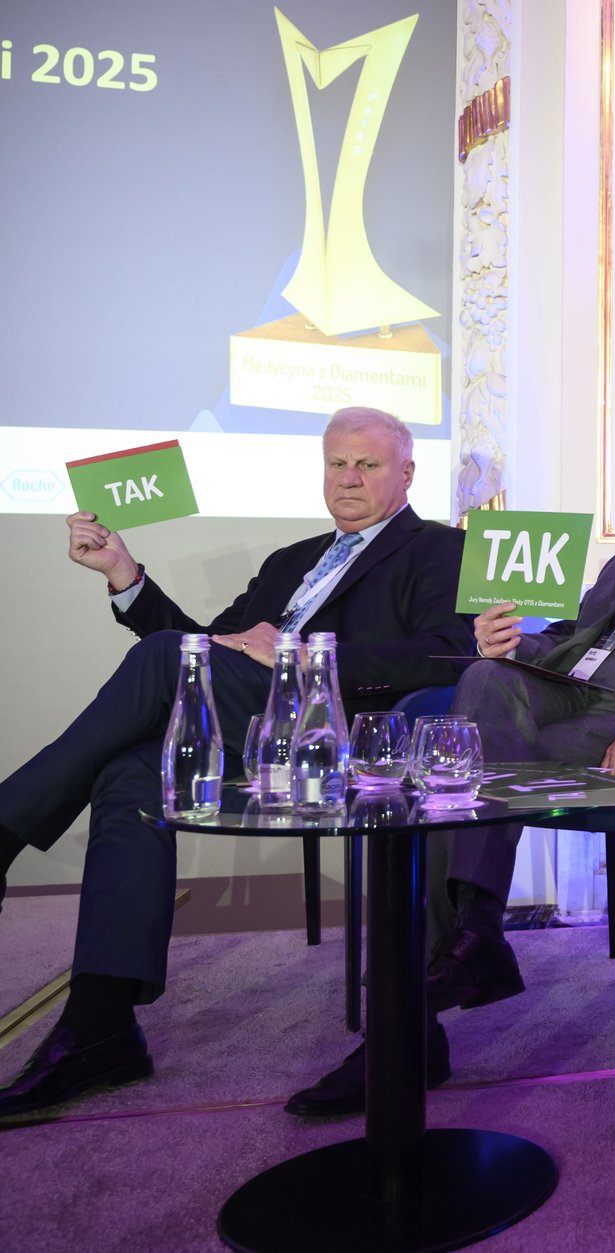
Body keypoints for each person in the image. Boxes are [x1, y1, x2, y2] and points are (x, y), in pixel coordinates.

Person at [284, 426, 615, 1117]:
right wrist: (511, 644)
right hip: (568, 701)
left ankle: (416, 1018)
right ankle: (474, 928)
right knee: (477, 698)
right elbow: (570, 642)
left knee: (445, 791)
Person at [0, 407, 472, 1118]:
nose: (347, 477)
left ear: (407, 472)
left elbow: (447, 655)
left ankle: (4, 831)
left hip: (340, 735)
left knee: (159, 681)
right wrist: (125, 575)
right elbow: (203, 654)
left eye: (367, 464)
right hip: (253, 732)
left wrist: (300, 656)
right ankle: (101, 1024)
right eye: (336, 463)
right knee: (131, 772)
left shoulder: (440, 548)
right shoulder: (290, 560)